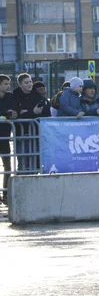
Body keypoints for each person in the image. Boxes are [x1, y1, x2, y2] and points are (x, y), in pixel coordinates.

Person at [13, 73, 50, 173]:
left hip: (36, 133)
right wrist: (32, 112)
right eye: (26, 83)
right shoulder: (15, 96)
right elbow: (16, 114)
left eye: (30, 82)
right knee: (23, 161)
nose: (29, 84)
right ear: (20, 85)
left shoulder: (36, 95)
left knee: (36, 160)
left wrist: (27, 112)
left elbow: (45, 112)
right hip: (21, 133)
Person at [0, 75, 16, 203]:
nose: (8, 86)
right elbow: (5, 111)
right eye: (5, 84)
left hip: (5, 137)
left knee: (8, 167)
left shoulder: (10, 96)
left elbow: (14, 109)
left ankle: (5, 193)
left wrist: (13, 113)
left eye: (9, 84)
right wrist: (6, 113)